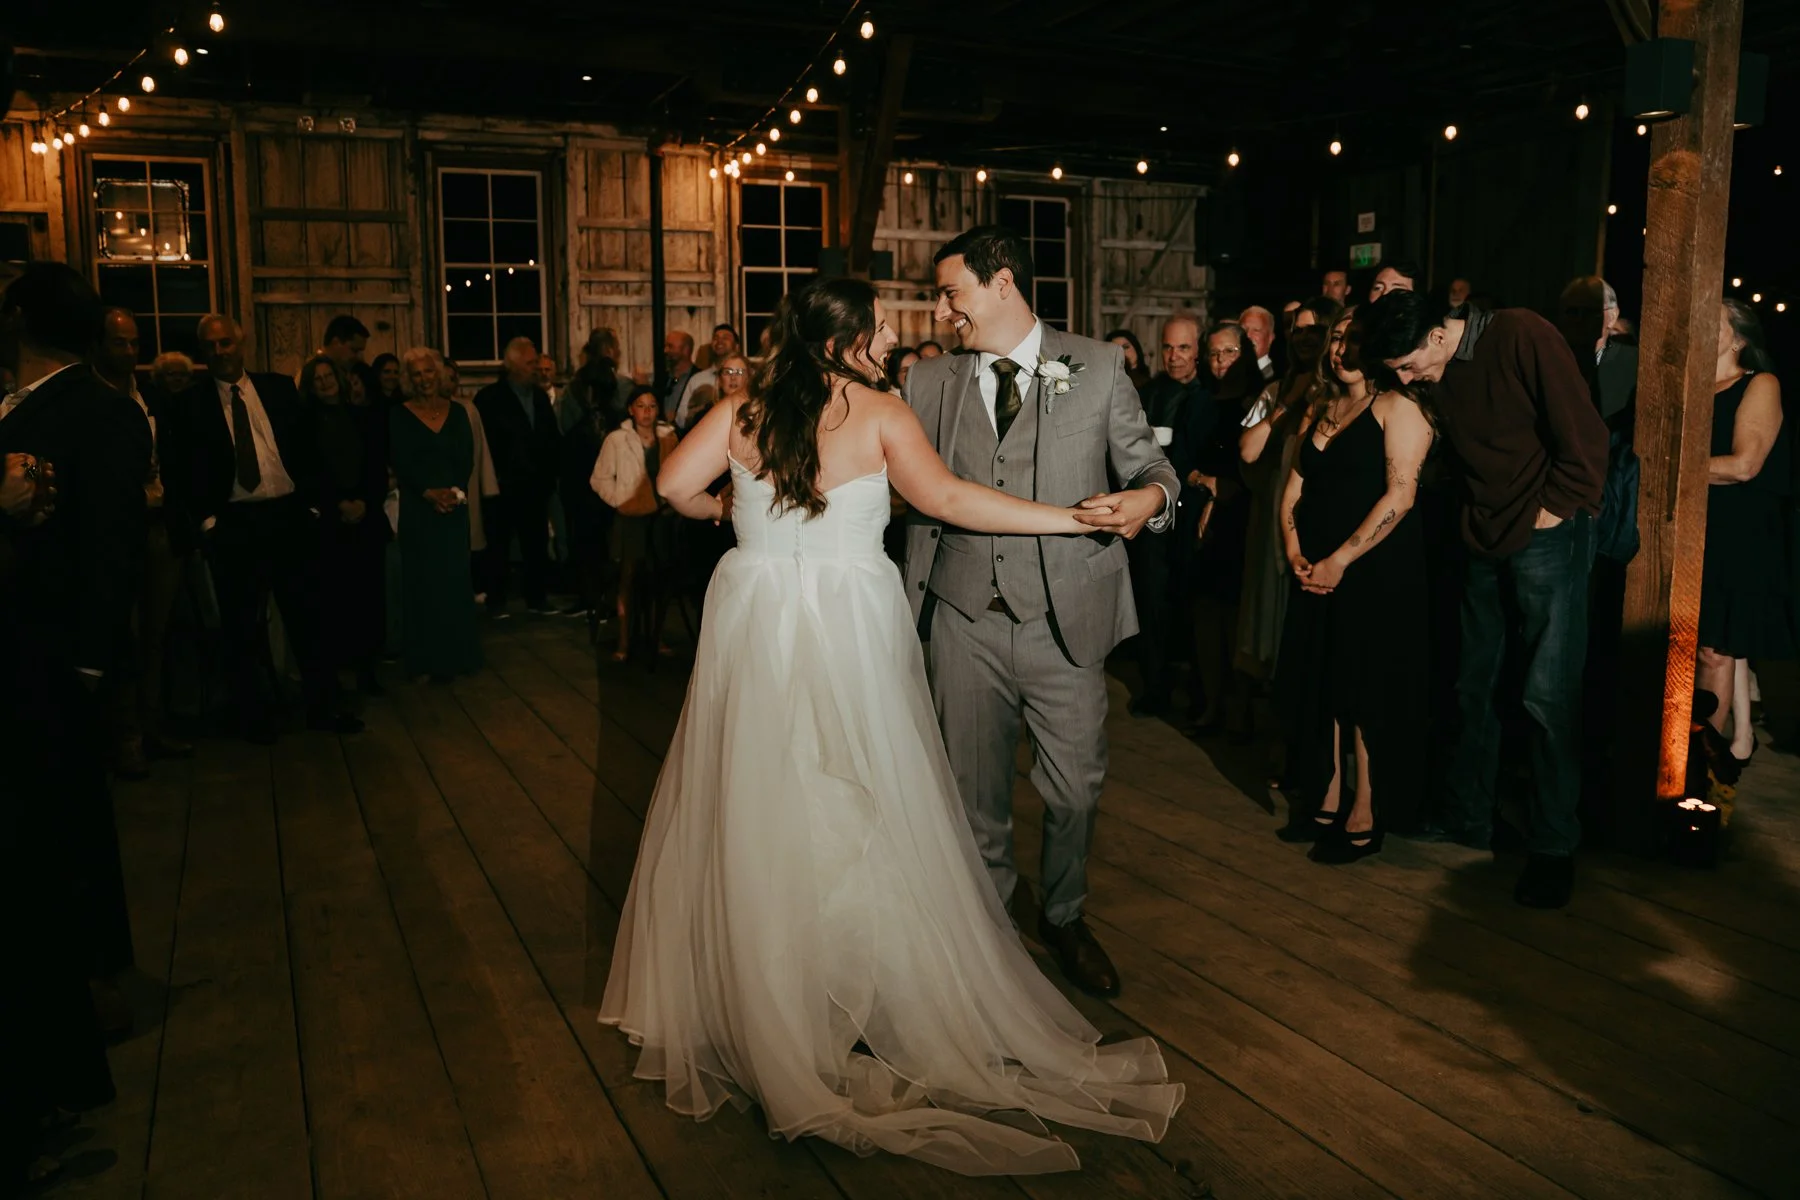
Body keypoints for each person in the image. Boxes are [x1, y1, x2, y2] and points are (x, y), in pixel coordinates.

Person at [601, 276, 1182, 1175]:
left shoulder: (739, 412)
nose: (888, 341)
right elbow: (950, 501)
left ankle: (776, 993)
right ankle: (858, 989)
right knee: (864, 794)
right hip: (848, 627)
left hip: (757, 621)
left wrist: (731, 513)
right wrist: (1067, 521)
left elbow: (672, 485)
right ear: (843, 342)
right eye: (876, 330)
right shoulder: (879, 414)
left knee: (763, 800)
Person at [904, 226, 1180, 999]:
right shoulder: (927, 382)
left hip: (1067, 619)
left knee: (1076, 788)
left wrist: (1150, 499)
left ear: (1002, 283)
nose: (941, 311)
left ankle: (1062, 915)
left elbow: (1153, 465)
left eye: (950, 293)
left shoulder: (1098, 365)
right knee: (974, 795)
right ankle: (989, 933)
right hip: (961, 618)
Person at [1361, 287, 1607, 909]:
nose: (1407, 379)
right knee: (1474, 683)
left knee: (1547, 694)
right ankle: (1467, 815)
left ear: (1438, 334)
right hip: (1483, 534)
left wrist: (1554, 510)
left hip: (1547, 532)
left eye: (1410, 365)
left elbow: (1584, 435)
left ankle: (1553, 846)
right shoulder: (1435, 369)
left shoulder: (1521, 333)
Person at [0, 264, 149, 1129]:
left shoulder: (96, 411)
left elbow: (111, 547)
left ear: (21, 319)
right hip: (22, 651)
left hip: (50, 653)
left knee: (64, 825)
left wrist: (93, 663)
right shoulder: (18, 406)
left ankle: (89, 983)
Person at [1276, 313, 1434, 858]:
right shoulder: (1320, 407)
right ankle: (1328, 795)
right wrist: (1295, 552)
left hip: (1371, 567)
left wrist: (1340, 560)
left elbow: (1401, 496)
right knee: (1324, 679)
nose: (1342, 349)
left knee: (1361, 686)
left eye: (1356, 340)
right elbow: (1293, 490)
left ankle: (1365, 809)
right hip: (1315, 565)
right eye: (1337, 338)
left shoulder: (1398, 406)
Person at [191, 314, 362, 740]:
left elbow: (309, 448)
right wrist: (209, 524)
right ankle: (252, 715)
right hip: (235, 522)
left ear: (241, 343)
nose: (220, 351)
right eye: (211, 345)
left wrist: (313, 507)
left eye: (226, 342)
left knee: (309, 615)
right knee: (241, 626)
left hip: (288, 515)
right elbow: (185, 468)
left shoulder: (278, 388)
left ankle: (323, 707)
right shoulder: (193, 403)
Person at [90, 306, 196, 777]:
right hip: (111, 530)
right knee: (122, 636)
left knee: (157, 635)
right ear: (98, 345)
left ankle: (151, 727)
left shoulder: (149, 396)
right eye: (120, 342)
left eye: (135, 343)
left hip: (157, 523)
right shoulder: (86, 398)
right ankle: (124, 737)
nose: (130, 351)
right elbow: (55, 463)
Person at [1698, 299, 1791, 763]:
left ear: (1738, 338)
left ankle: (1704, 764)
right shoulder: (1690, 385)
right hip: (1690, 527)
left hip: (1735, 534)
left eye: (1712, 321)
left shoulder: (1760, 384)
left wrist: (1668, 468)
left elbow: (1744, 465)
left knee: (1715, 651)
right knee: (1688, 647)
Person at [1177, 322, 1261, 738]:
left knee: (1237, 616)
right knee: (1206, 615)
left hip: (1244, 518)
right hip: (1202, 520)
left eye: (1229, 352)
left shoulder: (1258, 399)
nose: (1220, 360)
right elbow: (1179, 459)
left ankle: (1240, 709)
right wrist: (1203, 482)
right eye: (1213, 353)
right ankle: (1211, 703)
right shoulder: (1199, 401)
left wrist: (1221, 487)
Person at [1128, 315, 1208, 716]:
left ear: (1198, 350)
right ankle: (1155, 688)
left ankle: (1200, 695)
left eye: (1184, 348)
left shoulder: (1210, 393)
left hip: (1196, 517)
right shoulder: (1148, 393)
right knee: (1152, 603)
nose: (1175, 356)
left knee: (1193, 607)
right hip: (1155, 517)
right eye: (1168, 347)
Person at [299, 352, 390, 695]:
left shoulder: (361, 417)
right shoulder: (305, 425)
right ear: (311, 387)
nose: (325, 383)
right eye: (317, 380)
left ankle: (368, 670)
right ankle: (338, 674)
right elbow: (309, 473)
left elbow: (376, 466)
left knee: (369, 597)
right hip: (331, 521)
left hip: (366, 517)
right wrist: (338, 504)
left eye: (328, 376)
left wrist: (365, 502)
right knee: (336, 598)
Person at [390, 348, 482, 682]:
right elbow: (400, 461)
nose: (424, 379)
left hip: (453, 508)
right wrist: (428, 494)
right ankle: (425, 661)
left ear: (438, 373)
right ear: (408, 379)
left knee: (454, 581)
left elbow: (466, 458)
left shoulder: (457, 412)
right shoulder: (398, 415)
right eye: (416, 374)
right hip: (419, 510)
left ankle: (458, 656)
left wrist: (453, 493)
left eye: (428, 371)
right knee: (422, 584)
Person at [473, 336, 560, 616]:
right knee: (497, 544)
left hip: (535, 485)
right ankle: (496, 599)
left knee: (535, 543)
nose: (536, 368)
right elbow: (484, 443)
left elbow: (550, 438)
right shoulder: (489, 399)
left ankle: (537, 598)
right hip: (503, 485)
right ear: (513, 365)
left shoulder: (539, 398)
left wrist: (549, 474)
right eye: (530, 363)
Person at [590, 387, 679, 661]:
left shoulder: (668, 437)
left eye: (652, 406)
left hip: (660, 515)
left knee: (659, 577)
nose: (647, 412)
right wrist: (620, 499)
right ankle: (624, 640)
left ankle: (657, 636)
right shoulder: (618, 439)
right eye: (641, 405)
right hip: (631, 517)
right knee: (628, 577)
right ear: (631, 409)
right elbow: (600, 478)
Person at [661, 329, 697, 421]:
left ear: (686, 350)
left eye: (670, 346)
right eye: (665, 346)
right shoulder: (661, 378)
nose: (665, 351)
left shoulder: (698, 378)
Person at [1240, 305, 1278, 380]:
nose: (1248, 335)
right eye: (1244, 330)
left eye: (1256, 330)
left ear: (1270, 338)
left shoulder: (1275, 377)